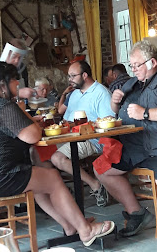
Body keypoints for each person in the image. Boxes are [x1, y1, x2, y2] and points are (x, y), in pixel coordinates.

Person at [0, 61, 115, 246]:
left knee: (38, 180)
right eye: (14, 80)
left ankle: (70, 226)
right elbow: (33, 135)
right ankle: (86, 231)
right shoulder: (3, 106)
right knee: (52, 177)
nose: (17, 84)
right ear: (3, 84)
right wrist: (22, 111)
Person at [93, 39, 157, 237]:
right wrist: (114, 103)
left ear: (152, 63)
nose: (133, 69)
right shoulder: (132, 83)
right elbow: (115, 112)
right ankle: (137, 213)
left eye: (137, 65)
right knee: (101, 169)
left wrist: (146, 113)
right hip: (135, 145)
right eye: (131, 65)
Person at [51, 61, 115, 206]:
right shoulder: (74, 94)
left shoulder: (101, 93)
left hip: (93, 140)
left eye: (73, 76)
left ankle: (95, 185)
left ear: (85, 75)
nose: (70, 79)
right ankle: (62, 193)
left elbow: (109, 122)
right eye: (69, 76)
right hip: (72, 137)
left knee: (57, 158)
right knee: (39, 154)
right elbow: (66, 120)